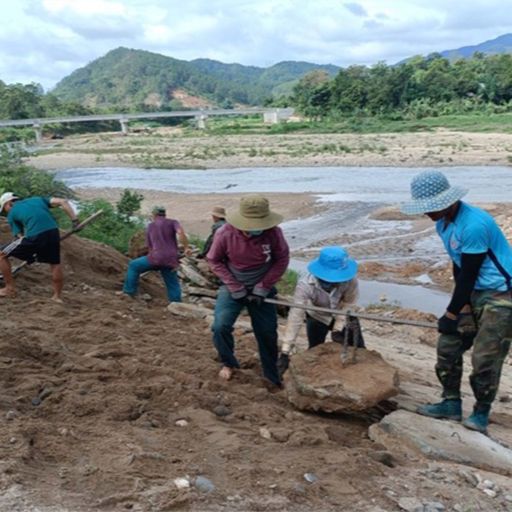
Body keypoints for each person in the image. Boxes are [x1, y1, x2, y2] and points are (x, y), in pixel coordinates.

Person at [401, 170, 512, 434]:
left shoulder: (474, 224)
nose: (427, 213)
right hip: (473, 291)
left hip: (501, 295)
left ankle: (481, 413)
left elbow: (470, 274)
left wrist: (450, 314)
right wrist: (460, 309)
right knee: (448, 344)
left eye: (432, 208)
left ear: (449, 201)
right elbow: (459, 264)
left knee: (486, 357)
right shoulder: (443, 223)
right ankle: (450, 403)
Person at [207, 195, 290, 387]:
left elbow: (282, 260)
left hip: (262, 287)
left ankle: (271, 375)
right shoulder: (225, 233)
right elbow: (214, 260)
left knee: (267, 332)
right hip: (233, 286)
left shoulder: (274, 233)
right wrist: (234, 286)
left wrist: (263, 287)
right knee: (220, 327)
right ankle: (229, 362)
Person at [277, 246, 362, 378]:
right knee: (315, 351)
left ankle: (358, 375)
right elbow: (296, 315)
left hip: (342, 315)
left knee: (358, 349)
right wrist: (285, 350)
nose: (330, 283)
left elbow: (349, 304)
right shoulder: (305, 284)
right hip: (316, 315)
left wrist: (338, 328)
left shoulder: (350, 281)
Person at [0, 192, 79, 301]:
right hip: (53, 232)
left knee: (1, 254)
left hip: (36, 235)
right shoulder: (37, 199)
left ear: (8, 204)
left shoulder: (12, 214)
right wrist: (75, 220)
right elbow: (63, 201)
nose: (6, 211)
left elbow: (20, 238)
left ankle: (9, 288)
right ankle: (57, 296)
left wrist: (28, 254)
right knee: (55, 263)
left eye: (4, 209)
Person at [123, 206, 191, 302]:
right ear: (165, 214)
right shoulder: (173, 222)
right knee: (172, 283)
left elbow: (149, 246)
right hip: (171, 259)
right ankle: (176, 303)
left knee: (133, 265)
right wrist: (186, 247)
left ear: (154, 215)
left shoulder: (150, 226)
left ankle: (129, 292)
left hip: (155, 258)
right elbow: (180, 233)